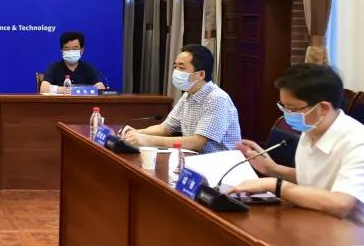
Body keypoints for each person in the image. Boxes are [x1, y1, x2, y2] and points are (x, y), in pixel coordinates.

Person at [230, 64, 364, 222]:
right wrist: (272, 169)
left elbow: (340, 204)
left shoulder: (357, 141)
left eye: (292, 109)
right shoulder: (311, 128)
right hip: (312, 219)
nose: (287, 115)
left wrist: (275, 185)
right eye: (284, 107)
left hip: (350, 231)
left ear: (323, 108)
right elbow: (312, 179)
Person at [121, 44, 241, 154]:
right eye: (175, 66)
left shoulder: (217, 99)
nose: (176, 72)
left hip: (220, 164)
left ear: (201, 74)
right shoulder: (187, 95)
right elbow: (165, 128)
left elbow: (197, 142)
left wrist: (147, 140)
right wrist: (136, 133)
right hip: (195, 160)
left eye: (181, 68)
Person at [40, 31, 105, 93]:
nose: (71, 52)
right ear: (62, 51)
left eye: (75, 49)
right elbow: (43, 88)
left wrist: (79, 91)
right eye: (67, 49)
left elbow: (101, 88)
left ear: (82, 51)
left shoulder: (88, 68)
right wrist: (62, 90)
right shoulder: (54, 67)